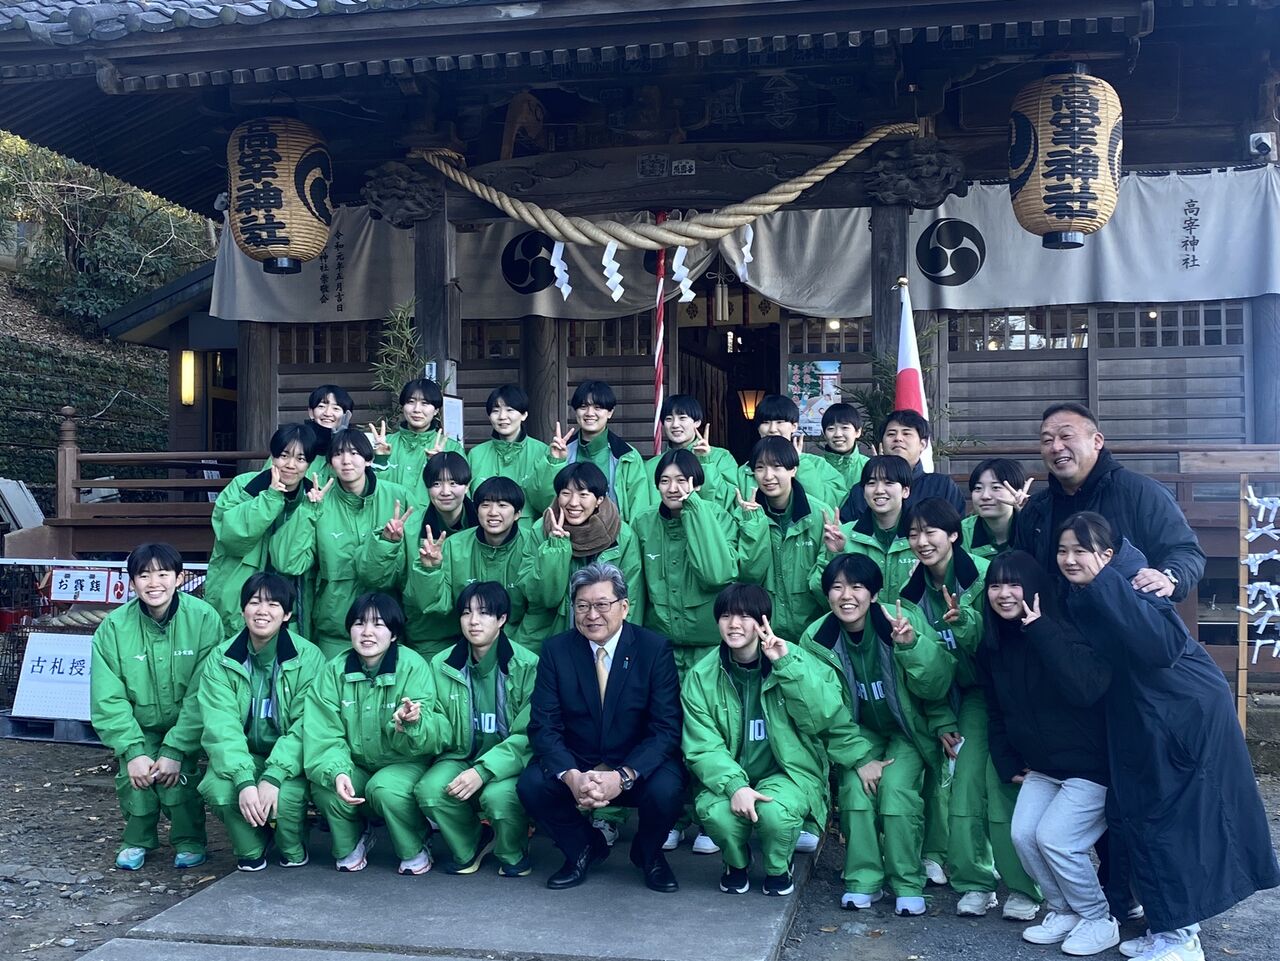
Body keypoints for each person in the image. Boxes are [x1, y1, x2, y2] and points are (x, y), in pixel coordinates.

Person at [1060, 513, 1279, 961]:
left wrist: (1108, 585)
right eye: (1062, 551)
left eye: (1081, 550)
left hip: (1181, 714)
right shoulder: (1097, 588)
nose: (1069, 559)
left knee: (1171, 824)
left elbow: (1159, 647)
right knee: (1144, 819)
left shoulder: (1136, 585)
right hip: (1150, 713)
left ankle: (1182, 938)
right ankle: (1165, 927)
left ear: (1107, 554)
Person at [898, 498, 1042, 921]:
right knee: (963, 786)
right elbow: (925, 669)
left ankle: (1023, 887)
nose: (922, 541)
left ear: (954, 535)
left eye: (930, 532)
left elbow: (999, 643)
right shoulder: (908, 596)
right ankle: (974, 881)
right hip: (966, 699)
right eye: (913, 534)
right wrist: (941, 716)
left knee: (1002, 787)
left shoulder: (986, 578)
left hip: (1009, 694)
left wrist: (963, 622)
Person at [798, 553, 955, 916]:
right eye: (837, 587)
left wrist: (911, 645)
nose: (846, 596)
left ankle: (907, 882)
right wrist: (859, 758)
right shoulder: (816, 639)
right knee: (855, 790)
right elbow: (821, 710)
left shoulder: (898, 621)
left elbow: (937, 683)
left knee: (896, 791)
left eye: (857, 587)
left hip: (907, 729)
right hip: (857, 732)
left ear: (873, 593)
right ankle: (863, 880)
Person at [978, 550, 1118, 955]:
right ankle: (1063, 910)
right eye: (995, 585)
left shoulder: (1065, 629)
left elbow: (1086, 688)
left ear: (1035, 588)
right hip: (1042, 766)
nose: (1004, 594)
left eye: (1013, 584)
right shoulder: (992, 646)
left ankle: (1098, 918)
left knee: (1056, 839)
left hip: (1090, 767)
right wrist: (1007, 760)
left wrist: (1040, 630)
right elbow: (995, 710)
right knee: (1023, 835)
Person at [517, 563, 684, 893]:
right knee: (532, 785)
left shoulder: (653, 649)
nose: (592, 615)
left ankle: (648, 854)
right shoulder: (556, 650)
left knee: (668, 787)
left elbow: (665, 728)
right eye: (582, 606)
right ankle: (583, 847)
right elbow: (543, 725)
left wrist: (623, 776)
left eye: (602, 604)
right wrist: (572, 776)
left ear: (624, 606)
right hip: (579, 760)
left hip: (633, 761)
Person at [682, 584, 849, 897]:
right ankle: (736, 864)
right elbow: (702, 745)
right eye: (726, 616)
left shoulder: (793, 658)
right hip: (728, 775)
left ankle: (778, 867)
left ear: (763, 622)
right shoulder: (702, 675)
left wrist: (785, 666)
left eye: (745, 616)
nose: (734, 624)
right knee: (717, 813)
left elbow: (822, 717)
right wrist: (736, 786)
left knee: (775, 814)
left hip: (786, 774)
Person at [90, 543, 223, 871]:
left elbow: (205, 692)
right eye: (144, 575)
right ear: (132, 582)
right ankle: (137, 839)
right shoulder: (114, 627)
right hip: (139, 724)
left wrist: (176, 748)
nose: (154, 583)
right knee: (135, 778)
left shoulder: (204, 619)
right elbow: (108, 697)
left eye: (163, 574)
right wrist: (132, 750)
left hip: (187, 725)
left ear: (180, 578)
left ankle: (189, 839)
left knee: (180, 779)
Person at [303, 592, 442, 875]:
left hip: (403, 762)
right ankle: (354, 837)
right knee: (328, 787)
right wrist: (338, 771)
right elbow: (323, 733)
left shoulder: (412, 665)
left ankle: (415, 843)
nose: (367, 632)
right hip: (355, 763)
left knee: (384, 788)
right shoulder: (333, 671)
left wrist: (411, 723)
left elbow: (431, 723)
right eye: (359, 623)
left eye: (378, 624)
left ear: (394, 634)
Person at [197, 573, 325, 872]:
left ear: (287, 614)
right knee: (220, 789)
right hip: (244, 755)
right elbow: (221, 726)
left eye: (273, 604)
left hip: (291, 760)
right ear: (243, 609)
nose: (262, 611)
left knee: (286, 799)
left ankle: (292, 847)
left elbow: (307, 725)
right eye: (254, 602)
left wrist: (274, 775)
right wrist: (244, 780)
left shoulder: (308, 658)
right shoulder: (222, 659)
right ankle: (252, 846)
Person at [1014, 403, 1205, 601]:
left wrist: (1169, 577)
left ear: (1097, 441)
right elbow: (1020, 569)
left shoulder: (1140, 492)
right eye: (1047, 440)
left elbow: (1185, 550)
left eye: (1066, 436)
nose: (1056, 447)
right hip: (1053, 618)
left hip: (1124, 615)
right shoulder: (1036, 508)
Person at [414, 582, 540, 877]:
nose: (473, 621)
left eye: (484, 613)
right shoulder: (441, 663)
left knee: (498, 798)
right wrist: (416, 724)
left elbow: (529, 733)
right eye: (466, 613)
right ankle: (471, 842)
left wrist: (483, 771)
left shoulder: (527, 665)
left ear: (502, 619)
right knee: (430, 790)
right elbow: (439, 724)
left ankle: (513, 850)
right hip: (460, 755)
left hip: (508, 764)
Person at [271, 428, 412, 659]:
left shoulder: (397, 497)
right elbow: (287, 562)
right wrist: (307, 511)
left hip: (386, 625)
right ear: (329, 464)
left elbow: (412, 564)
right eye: (338, 454)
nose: (346, 461)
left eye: (354, 453)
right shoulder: (318, 502)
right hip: (334, 626)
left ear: (368, 459)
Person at [207, 423, 320, 636]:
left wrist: (308, 510)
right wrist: (270, 498)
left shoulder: (313, 500)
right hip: (236, 608)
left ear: (309, 463)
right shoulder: (243, 486)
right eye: (284, 456)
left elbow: (294, 560)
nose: (291, 465)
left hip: (291, 610)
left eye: (301, 459)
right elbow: (231, 537)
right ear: (273, 456)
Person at [404, 476, 535, 655]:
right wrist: (430, 570)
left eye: (502, 505)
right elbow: (436, 605)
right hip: (465, 640)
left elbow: (539, 608)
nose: (493, 512)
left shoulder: (532, 545)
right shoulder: (455, 545)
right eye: (485, 505)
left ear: (518, 514)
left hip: (519, 642)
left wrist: (515, 651)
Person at [520, 462, 645, 641]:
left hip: (604, 634)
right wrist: (555, 546)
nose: (573, 502)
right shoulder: (542, 529)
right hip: (549, 633)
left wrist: (620, 644)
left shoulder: (622, 534)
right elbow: (541, 597)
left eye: (583, 495)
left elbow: (631, 597)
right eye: (565, 493)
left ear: (599, 499)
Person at [734, 435, 834, 642]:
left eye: (777, 466)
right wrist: (752, 524)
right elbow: (747, 576)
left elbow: (827, 582)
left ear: (793, 470)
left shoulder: (819, 514)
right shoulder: (743, 515)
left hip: (813, 630)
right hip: (765, 632)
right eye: (760, 468)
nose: (768, 476)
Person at [812, 455, 916, 604]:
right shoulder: (843, 534)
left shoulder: (921, 536)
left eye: (889, 482)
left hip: (910, 619)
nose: (879, 490)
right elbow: (818, 591)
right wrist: (833, 555)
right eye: (871, 483)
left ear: (905, 491)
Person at [839, 409, 966, 521]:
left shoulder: (942, 487)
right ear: (881, 444)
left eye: (906, 433)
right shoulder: (861, 490)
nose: (898, 438)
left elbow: (955, 531)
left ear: (923, 444)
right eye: (891, 434)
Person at [370, 377, 466, 514]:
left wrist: (438, 465)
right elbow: (370, 492)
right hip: (389, 523)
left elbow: (461, 497)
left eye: (425, 403)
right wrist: (380, 460)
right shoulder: (385, 445)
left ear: (436, 410)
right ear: (402, 407)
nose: (417, 409)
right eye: (411, 402)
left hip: (431, 524)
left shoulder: (452, 448)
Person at [467, 384, 560, 523]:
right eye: (495, 411)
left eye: (509, 410)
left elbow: (548, 502)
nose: (502, 416)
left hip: (529, 532)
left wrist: (554, 463)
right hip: (486, 532)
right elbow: (468, 503)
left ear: (524, 415)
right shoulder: (476, 455)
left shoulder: (542, 452)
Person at [561, 380, 648, 522]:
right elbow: (544, 501)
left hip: (615, 533)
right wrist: (554, 462)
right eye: (583, 406)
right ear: (575, 411)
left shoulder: (627, 456)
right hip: (567, 532)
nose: (590, 413)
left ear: (610, 412)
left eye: (598, 407)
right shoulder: (561, 451)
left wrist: (626, 535)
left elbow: (639, 512)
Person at [737, 394, 844, 507]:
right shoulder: (745, 471)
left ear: (794, 426)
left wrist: (800, 462)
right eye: (765, 422)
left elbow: (829, 505)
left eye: (779, 422)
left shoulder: (818, 465)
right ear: (758, 428)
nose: (772, 429)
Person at [645, 394, 740, 510]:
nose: (675, 425)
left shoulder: (721, 457)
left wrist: (704, 462)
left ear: (697, 422)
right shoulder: (650, 466)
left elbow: (724, 502)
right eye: (669, 419)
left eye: (682, 418)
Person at [964, 458, 1033, 559]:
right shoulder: (962, 533)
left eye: (995, 487)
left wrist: (1030, 512)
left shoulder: (1036, 527)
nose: (985, 496)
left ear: (1018, 491)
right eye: (978, 488)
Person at [814, 402, 869, 503]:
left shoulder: (869, 466)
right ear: (824, 434)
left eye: (845, 428)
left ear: (858, 432)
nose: (838, 434)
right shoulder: (815, 467)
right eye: (831, 429)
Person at [302, 384, 354, 487]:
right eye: (321, 406)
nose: (328, 413)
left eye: (336, 408)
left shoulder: (356, 446)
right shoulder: (295, 442)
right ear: (311, 412)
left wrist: (340, 443)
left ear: (347, 415)